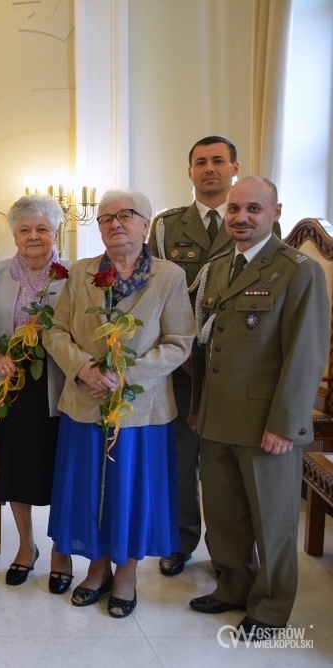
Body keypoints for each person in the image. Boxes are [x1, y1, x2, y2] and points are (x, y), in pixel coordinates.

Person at [188, 176, 329, 640]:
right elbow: (206, 346)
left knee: (272, 520)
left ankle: (270, 608)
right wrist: (198, 406)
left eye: (253, 209)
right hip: (217, 416)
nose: (241, 217)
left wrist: (286, 424)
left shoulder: (297, 271)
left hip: (267, 421)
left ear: (275, 212)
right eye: (234, 208)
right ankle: (233, 585)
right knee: (224, 514)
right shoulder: (218, 266)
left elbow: (306, 354)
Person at [44, 189, 194, 618]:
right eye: (106, 218)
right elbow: (55, 330)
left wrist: (124, 376)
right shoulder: (81, 273)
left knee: (129, 493)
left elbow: (179, 342)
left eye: (126, 215)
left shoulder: (169, 276)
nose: (115, 223)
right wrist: (86, 369)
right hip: (85, 402)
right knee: (89, 490)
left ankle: (126, 573)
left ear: (146, 224)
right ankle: (98, 568)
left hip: (141, 409)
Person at [148, 136, 276, 577]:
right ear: (189, 172)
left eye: (218, 161)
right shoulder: (166, 227)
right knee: (181, 463)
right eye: (200, 162)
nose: (209, 169)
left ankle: (232, 556)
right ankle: (179, 542)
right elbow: (157, 292)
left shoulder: (254, 219)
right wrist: (180, 351)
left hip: (236, 367)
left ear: (234, 168)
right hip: (182, 366)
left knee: (230, 469)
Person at [0, 194, 72, 593]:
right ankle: (26, 546)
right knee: (15, 470)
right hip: (9, 389)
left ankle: (61, 551)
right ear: (13, 234)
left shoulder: (75, 275)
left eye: (42, 228)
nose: (33, 236)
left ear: (56, 232)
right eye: (25, 229)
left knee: (62, 472)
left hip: (61, 389)